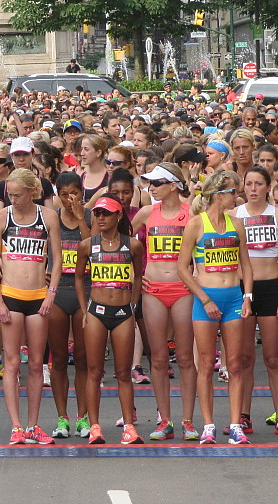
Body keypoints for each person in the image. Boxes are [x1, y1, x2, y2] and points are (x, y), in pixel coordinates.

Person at [177, 171, 254, 446]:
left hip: (233, 297)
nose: (237, 196)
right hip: (206, 299)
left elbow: (246, 265)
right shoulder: (196, 224)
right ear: (218, 195)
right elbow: (182, 268)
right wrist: (205, 299)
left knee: (235, 364)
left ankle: (235, 425)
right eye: (233, 192)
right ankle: (208, 425)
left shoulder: (237, 223)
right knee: (207, 364)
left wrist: (247, 297)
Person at [0, 168, 63, 445]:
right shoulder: (2, 217)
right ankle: (16, 426)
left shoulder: (48, 217)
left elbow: (58, 258)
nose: (13, 199)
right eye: (10, 194)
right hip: (10, 293)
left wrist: (51, 294)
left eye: (18, 195)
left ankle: (33, 424)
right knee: (11, 363)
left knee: (35, 364)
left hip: (38, 295)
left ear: (33, 191)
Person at [130, 163, 198, 441]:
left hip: (182, 289)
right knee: (157, 357)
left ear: (173, 185)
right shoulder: (148, 212)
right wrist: (134, 275)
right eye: (150, 183)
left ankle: (188, 420)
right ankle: (165, 420)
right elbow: (120, 240)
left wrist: (197, 272)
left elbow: (203, 244)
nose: (152, 188)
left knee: (185, 357)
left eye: (157, 183)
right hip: (153, 289)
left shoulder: (191, 213)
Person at [75, 194, 144, 444]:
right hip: (96, 312)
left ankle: (129, 427)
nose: (100, 217)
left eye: (105, 213)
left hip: (123, 313)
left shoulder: (133, 245)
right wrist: (84, 310)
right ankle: (95, 426)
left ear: (118, 215)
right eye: (97, 213)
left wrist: (133, 305)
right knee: (94, 371)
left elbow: (138, 276)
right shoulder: (87, 245)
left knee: (123, 373)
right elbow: (78, 277)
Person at [233, 166, 278, 437]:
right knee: (244, 358)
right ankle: (243, 416)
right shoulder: (234, 215)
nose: (253, 188)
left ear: (269, 186)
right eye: (249, 183)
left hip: (272, 288)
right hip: (242, 289)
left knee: (273, 357)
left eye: (259, 183)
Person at [46, 172, 92, 440]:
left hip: (85, 289)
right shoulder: (52, 218)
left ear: (81, 193)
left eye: (73, 193)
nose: (69, 199)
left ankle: (83, 416)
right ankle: (62, 417)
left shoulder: (91, 217)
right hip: (59, 290)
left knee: (84, 358)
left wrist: (79, 217)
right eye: (64, 195)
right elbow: (44, 250)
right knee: (59, 358)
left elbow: (91, 247)